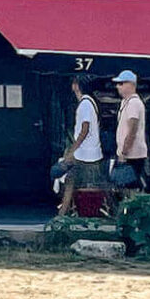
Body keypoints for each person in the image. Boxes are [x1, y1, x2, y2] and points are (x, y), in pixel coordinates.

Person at [57, 76, 104, 216]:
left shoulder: (85, 104)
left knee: (71, 179)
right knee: (72, 180)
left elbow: (84, 129)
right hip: (88, 152)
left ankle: (64, 212)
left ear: (76, 86)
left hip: (85, 153)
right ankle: (63, 211)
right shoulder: (91, 103)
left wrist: (73, 149)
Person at [111, 71, 148, 189]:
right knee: (123, 184)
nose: (118, 87)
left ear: (131, 84)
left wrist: (125, 151)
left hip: (132, 154)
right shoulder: (125, 103)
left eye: (121, 83)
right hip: (126, 152)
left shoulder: (134, 103)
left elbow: (132, 129)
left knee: (129, 185)